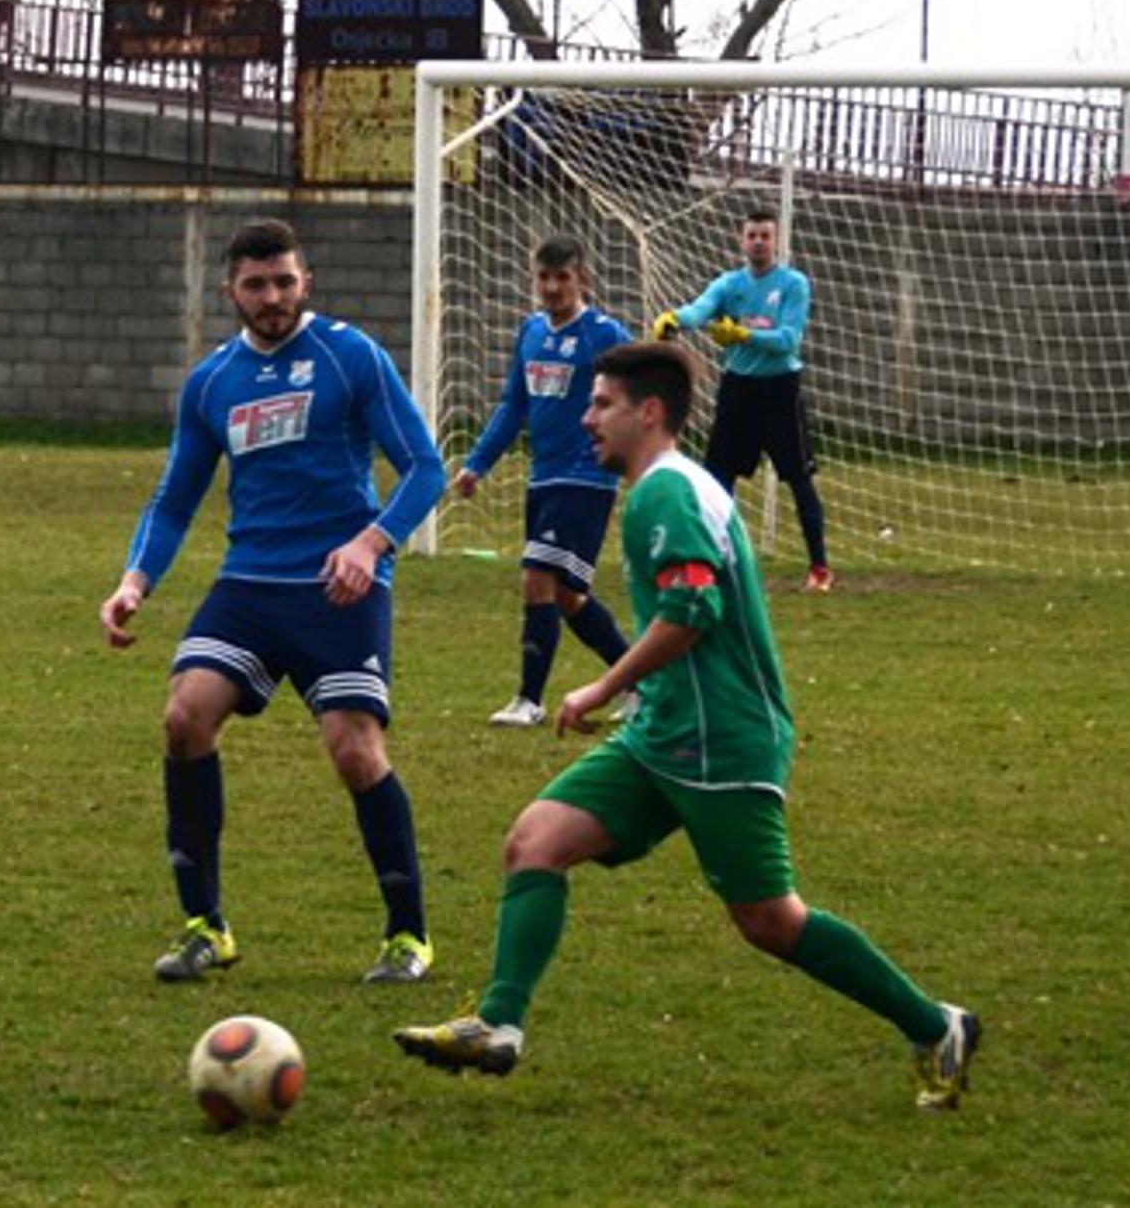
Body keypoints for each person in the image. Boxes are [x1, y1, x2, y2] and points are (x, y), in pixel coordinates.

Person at [393, 343, 979, 1111]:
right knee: (534, 841)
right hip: (665, 732)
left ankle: (935, 1025)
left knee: (770, 921)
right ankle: (498, 1023)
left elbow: (691, 612)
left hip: (722, 738)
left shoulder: (664, 494)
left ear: (649, 413)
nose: (586, 417)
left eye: (601, 404)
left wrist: (603, 683)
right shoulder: (661, 488)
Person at [100, 218, 448, 986]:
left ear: (306, 282)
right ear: (232, 291)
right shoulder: (212, 381)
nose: (272, 298)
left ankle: (408, 936)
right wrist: (134, 581)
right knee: (184, 715)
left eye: (284, 282)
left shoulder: (349, 356)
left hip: (339, 585)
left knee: (354, 750)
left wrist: (370, 544)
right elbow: (173, 500)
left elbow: (425, 467)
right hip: (251, 582)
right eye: (256, 285)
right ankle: (204, 926)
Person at [453, 234, 635, 729]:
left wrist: (634, 455)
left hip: (586, 477)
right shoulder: (531, 332)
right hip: (544, 476)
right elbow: (515, 404)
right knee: (567, 597)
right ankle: (643, 685)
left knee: (536, 578)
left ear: (583, 281)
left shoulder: (604, 334)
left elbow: (639, 390)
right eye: (544, 277)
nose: (552, 287)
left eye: (563, 278)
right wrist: (477, 463)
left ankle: (529, 701)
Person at [651, 209, 833, 593]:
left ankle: (819, 567)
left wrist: (743, 335)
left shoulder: (792, 284)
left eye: (765, 236)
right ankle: (711, 562)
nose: (759, 242)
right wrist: (675, 319)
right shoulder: (730, 284)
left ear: (776, 241)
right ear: (742, 239)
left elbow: (788, 340)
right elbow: (701, 308)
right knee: (717, 481)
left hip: (780, 390)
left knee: (799, 480)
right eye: (752, 235)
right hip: (738, 391)